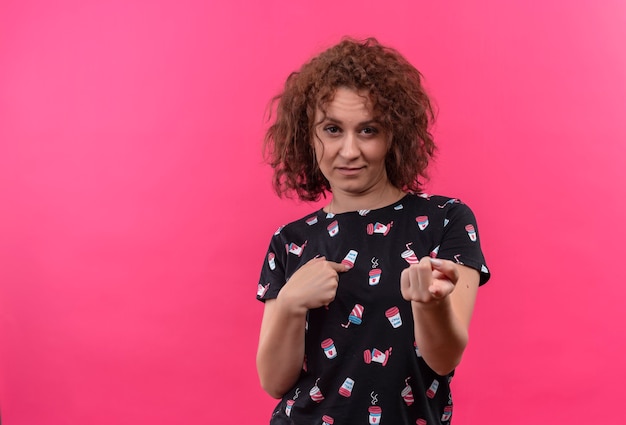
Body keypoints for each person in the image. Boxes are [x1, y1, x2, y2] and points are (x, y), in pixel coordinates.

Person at [256, 37, 490, 425]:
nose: (349, 151)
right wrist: (290, 303)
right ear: (307, 135)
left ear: (394, 134)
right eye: (332, 129)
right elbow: (274, 382)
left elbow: (445, 359)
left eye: (368, 130)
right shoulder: (290, 241)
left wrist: (430, 306)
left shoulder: (446, 220)